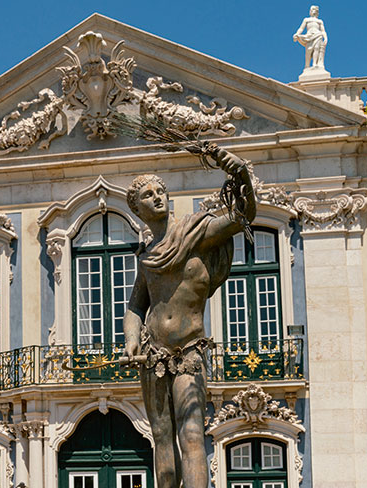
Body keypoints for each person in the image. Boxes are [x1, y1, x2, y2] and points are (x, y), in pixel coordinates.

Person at [123, 144, 257, 488]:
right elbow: (136, 306)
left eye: (159, 191)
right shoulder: (147, 255)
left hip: (188, 352)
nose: (156, 198)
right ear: (137, 210)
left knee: (193, 432)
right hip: (153, 356)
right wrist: (131, 341)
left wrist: (240, 174)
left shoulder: (197, 233)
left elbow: (243, 215)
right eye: (147, 196)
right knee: (163, 446)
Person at [293, 5, 328, 70]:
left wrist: (325, 38)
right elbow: (301, 28)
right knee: (309, 50)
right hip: (309, 36)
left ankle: (315, 64)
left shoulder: (320, 21)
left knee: (317, 48)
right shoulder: (306, 20)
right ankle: (307, 66)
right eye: (312, 10)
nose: (313, 11)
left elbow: (323, 31)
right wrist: (297, 34)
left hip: (318, 35)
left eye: (314, 10)